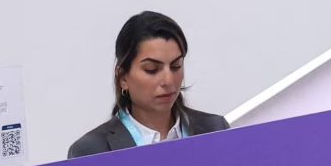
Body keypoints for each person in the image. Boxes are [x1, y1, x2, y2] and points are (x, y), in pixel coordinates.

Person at [65, 10, 232, 157]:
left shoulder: (215, 129)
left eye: (176, 66)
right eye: (151, 69)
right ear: (123, 77)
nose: (168, 80)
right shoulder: (91, 151)